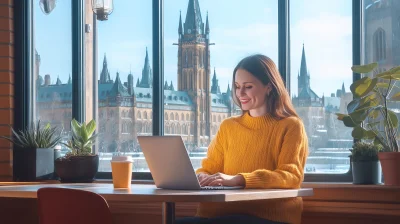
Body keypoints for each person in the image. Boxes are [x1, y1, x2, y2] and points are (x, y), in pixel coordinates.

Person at [176, 54, 308, 224]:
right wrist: (201, 177)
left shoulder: (291, 126)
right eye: (237, 87)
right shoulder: (228, 126)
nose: (240, 93)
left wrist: (239, 179)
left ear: (269, 87)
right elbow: (208, 169)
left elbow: (291, 176)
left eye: (248, 86)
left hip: (266, 217)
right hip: (216, 215)